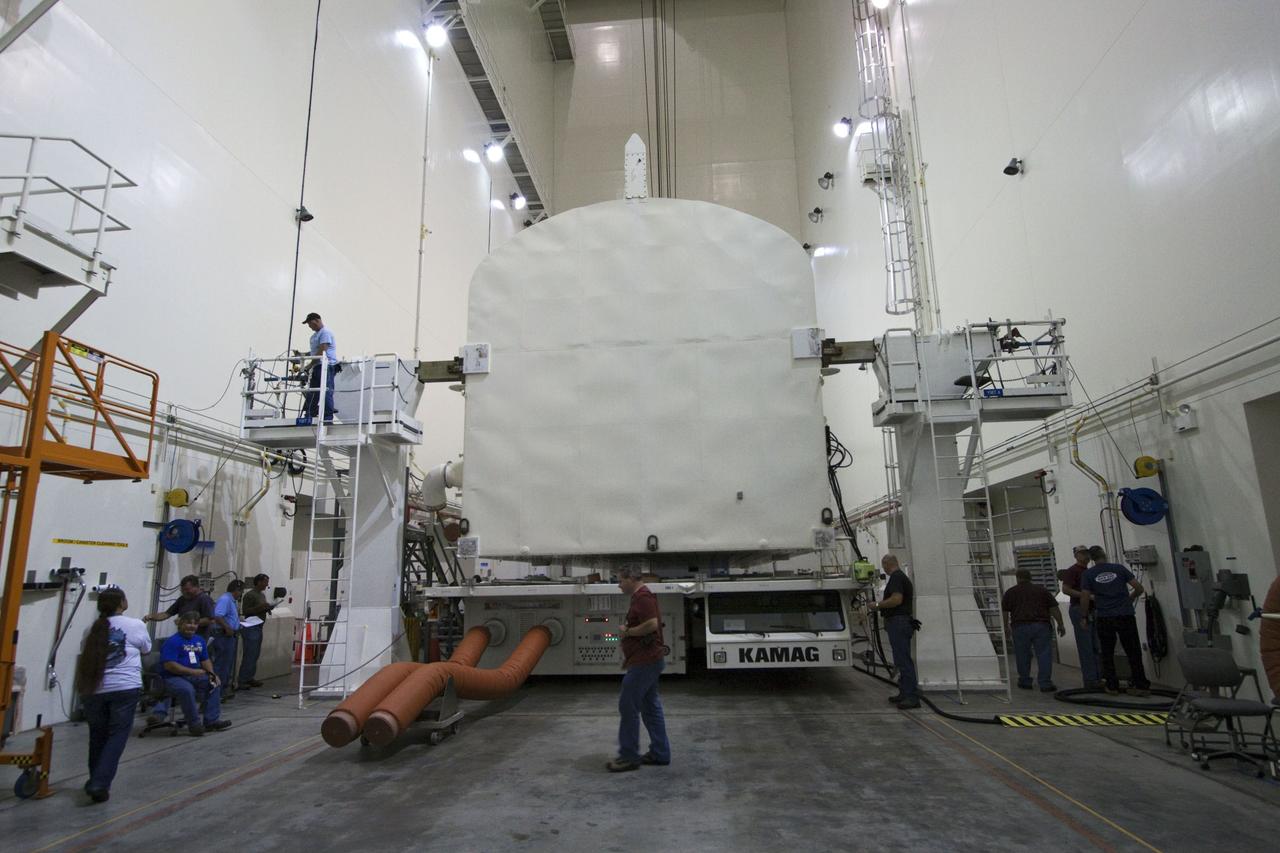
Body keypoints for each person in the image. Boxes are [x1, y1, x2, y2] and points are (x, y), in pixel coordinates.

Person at [75, 588, 150, 803]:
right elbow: (146, 649)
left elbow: (84, 652)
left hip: (94, 689)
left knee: (97, 736)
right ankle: (99, 782)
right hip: (124, 687)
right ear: (122, 603)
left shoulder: (93, 628)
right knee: (117, 735)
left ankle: (98, 782)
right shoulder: (135, 625)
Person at [606, 566, 671, 772]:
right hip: (647, 660)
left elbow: (652, 624)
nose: (618, 586)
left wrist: (628, 632)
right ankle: (660, 753)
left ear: (631, 579)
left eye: (620, 581)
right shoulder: (640, 597)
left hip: (645, 661)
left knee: (628, 706)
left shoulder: (643, 597)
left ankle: (629, 756)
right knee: (650, 707)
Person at [142, 575, 219, 723]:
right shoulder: (173, 640)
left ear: (196, 587)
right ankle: (161, 713)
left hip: (196, 649)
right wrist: (151, 617)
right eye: (183, 590)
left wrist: (212, 675)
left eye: (188, 590)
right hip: (183, 657)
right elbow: (167, 613)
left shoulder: (204, 600)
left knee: (211, 684)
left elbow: (210, 619)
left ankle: (209, 718)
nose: (185, 593)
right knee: (170, 678)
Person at [1080, 546, 1150, 696]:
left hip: (1105, 617)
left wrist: (1084, 616)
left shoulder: (1088, 574)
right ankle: (1141, 685)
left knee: (1107, 652)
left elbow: (1085, 597)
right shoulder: (1119, 569)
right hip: (1125, 615)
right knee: (1133, 651)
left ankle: (1112, 686)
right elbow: (1139, 588)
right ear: (1104, 554)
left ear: (1091, 559)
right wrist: (1129, 599)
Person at [159, 612, 231, 735]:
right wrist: (193, 671)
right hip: (173, 677)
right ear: (180, 624)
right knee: (187, 690)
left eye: (195, 623)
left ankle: (211, 721)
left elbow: (205, 660)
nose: (191, 626)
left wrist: (212, 674)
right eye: (188, 623)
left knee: (214, 684)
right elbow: (170, 665)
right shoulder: (172, 641)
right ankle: (194, 724)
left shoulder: (199, 640)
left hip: (194, 675)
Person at [1002, 569, 1066, 692]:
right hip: (1041, 626)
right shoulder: (1042, 590)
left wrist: (1005, 627)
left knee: (1022, 655)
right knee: (1044, 654)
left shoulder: (1011, 592)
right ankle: (1045, 683)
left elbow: (1005, 612)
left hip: (1020, 627)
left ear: (1017, 578)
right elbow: (1054, 609)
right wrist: (1061, 624)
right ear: (1030, 577)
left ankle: (1025, 681)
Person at [870, 554, 919, 709]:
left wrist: (877, 605)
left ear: (887, 564)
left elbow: (896, 599)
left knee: (903, 660)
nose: (883, 568)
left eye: (883, 565)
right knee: (900, 659)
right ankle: (904, 693)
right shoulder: (899, 577)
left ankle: (912, 697)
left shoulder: (897, 578)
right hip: (899, 622)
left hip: (899, 622)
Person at [1059, 545, 1103, 689]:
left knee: (1096, 646)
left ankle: (1098, 677)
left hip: (1093, 610)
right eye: (1082, 553)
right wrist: (1085, 596)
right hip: (1079, 609)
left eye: (1086, 553)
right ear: (1076, 555)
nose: (1085, 556)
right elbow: (1066, 589)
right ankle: (1090, 680)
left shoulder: (1090, 572)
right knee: (1086, 646)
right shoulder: (1073, 571)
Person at [238, 573, 276, 689]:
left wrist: (268, 608)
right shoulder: (250, 595)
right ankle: (242, 680)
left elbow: (262, 608)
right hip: (251, 627)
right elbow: (246, 611)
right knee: (249, 654)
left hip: (259, 626)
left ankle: (250, 677)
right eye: (265, 582)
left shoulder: (262, 595)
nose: (267, 584)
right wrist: (260, 607)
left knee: (255, 654)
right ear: (259, 582)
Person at [301, 311, 338, 423]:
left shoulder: (325, 333)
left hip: (326, 366)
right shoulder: (315, 336)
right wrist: (303, 355)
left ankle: (327, 418)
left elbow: (322, 351)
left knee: (326, 391)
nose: (309, 326)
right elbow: (315, 351)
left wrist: (309, 365)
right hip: (317, 366)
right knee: (313, 392)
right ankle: (309, 415)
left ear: (317, 321)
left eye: (310, 323)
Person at [210, 579, 243, 698]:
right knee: (221, 664)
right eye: (241, 591)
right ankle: (216, 691)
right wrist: (227, 627)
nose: (241, 594)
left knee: (227, 664)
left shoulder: (232, 601)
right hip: (223, 636)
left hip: (229, 636)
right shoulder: (225, 599)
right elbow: (218, 616)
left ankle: (222, 689)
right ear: (237, 590)